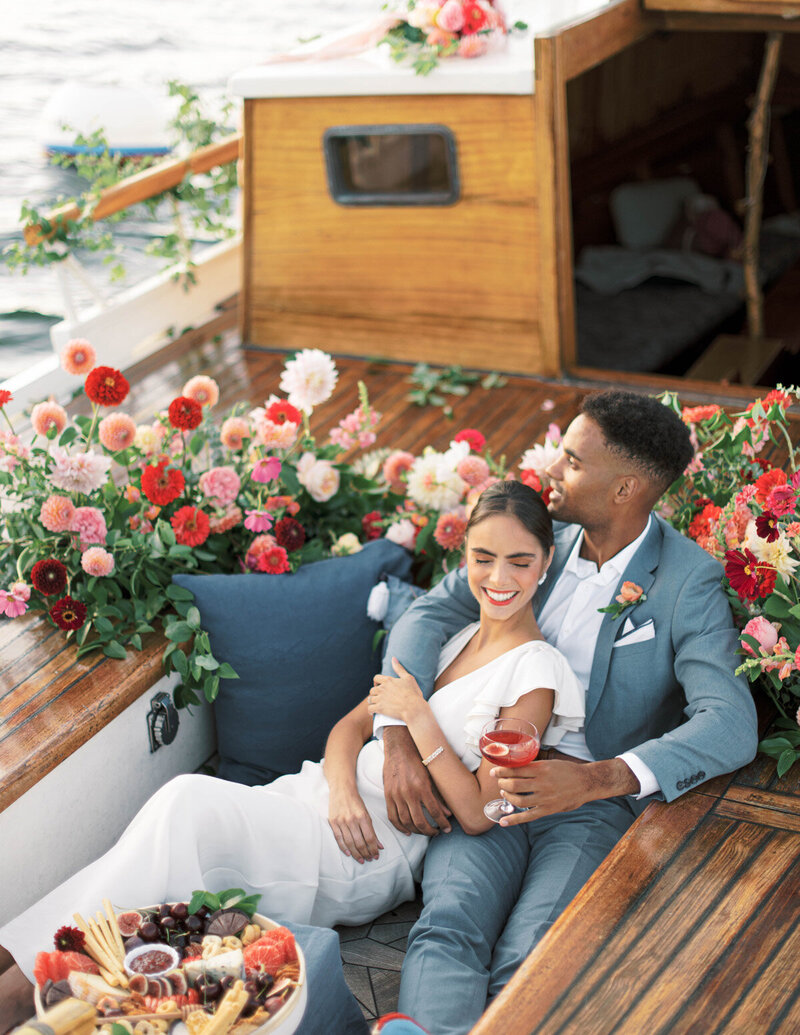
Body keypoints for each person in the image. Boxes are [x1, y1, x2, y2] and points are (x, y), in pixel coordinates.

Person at [0, 482, 584, 1030]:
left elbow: (481, 811)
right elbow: (348, 730)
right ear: (465, 558)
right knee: (174, 833)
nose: (498, 577)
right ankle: (38, 969)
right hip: (321, 799)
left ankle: (27, 976)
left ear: (547, 561)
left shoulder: (536, 669)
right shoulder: (453, 640)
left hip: (373, 848)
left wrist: (419, 715)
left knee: (185, 806)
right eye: (484, 558)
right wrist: (342, 790)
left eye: (519, 561)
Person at [375, 390, 760, 1035]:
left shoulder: (688, 581)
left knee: (534, 951)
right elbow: (430, 612)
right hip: (485, 781)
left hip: (588, 803)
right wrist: (398, 737)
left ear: (625, 488)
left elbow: (730, 721)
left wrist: (598, 777)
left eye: (572, 460)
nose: (552, 468)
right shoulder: (533, 544)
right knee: (446, 927)